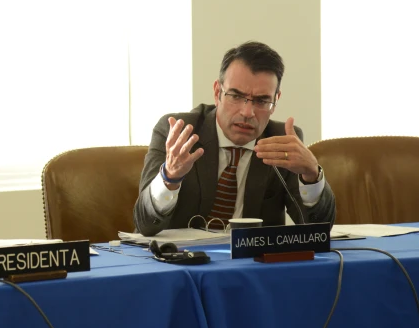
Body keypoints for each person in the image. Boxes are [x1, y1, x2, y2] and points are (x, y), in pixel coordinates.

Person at [133, 41, 335, 236]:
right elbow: (144, 224)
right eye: (236, 96)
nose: (247, 112)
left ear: (275, 101)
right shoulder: (177, 133)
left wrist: (311, 176)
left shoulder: (282, 141)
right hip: (180, 263)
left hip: (250, 266)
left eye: (262, 100)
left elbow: (317, 230)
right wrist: (170, 178)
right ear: (217, 92)